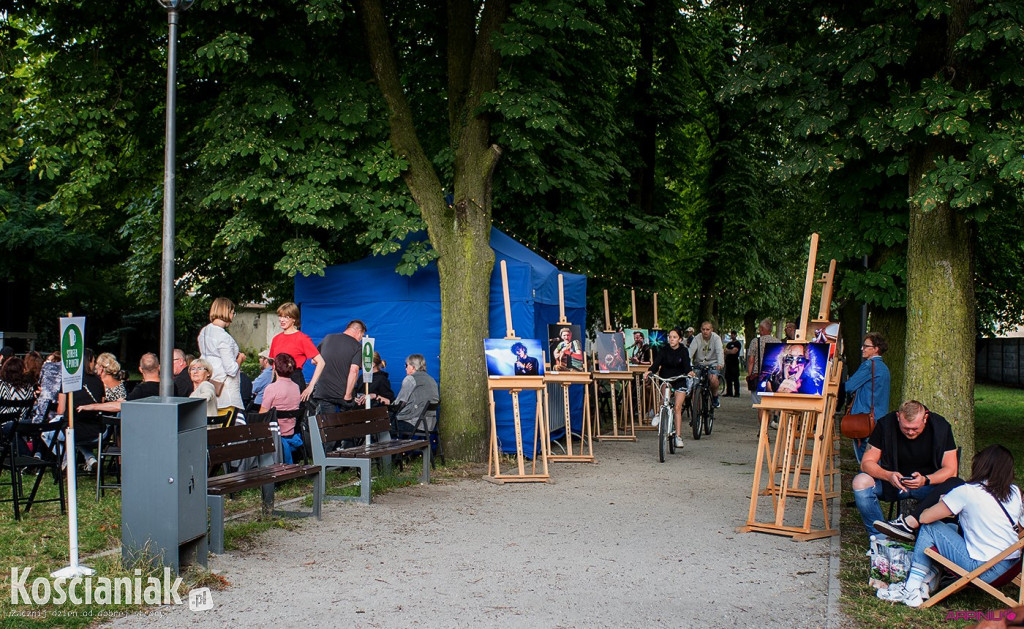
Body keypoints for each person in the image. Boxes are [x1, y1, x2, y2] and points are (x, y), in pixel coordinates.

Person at [876, 445, 1022, 608]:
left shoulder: (967, 491)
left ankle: (911, 588)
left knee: (931, 527)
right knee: (951, 529)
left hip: (984, 570)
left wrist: (942, 503)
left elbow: (925, 518)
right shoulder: (1015, 492)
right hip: (1010, 566)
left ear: (981, 465)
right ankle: (927, 580)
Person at [852, 400, 959, 536]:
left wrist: (925, 480)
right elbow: (866, 463)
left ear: (925, 418)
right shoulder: (885, 424)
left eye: (915, 428)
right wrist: (888, 475)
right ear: (898, 417)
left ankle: (928, 533)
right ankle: (879, 538)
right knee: (860, 481)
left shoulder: (940, 427)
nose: (910, 432)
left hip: (928, 485)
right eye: (905, 428)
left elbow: (951, 470)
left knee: (956, 489)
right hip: (893, 483)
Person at [846, 332, 891, 463]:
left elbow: (849, 386)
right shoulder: (884, 368)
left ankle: (867, 483)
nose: (862, 348)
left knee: (866, 463)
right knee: (876, 461)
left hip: (864, 420)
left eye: (866, 346)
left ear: (876, 349)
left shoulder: (869, 366)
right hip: (878, 420)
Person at [645, 328, 693, 450]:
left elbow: (687, 366)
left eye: (674, 337)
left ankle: (678, 436)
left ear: (680, 339)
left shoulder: (683, 351)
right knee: (664, 396)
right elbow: (656, 364)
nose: (671, 339)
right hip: (666, 378)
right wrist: (649, 371)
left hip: (680, 378)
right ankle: (658, 413)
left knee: (677, 407)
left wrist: (690, 372)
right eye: (670, 337)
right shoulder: (664, 349)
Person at [197, 297, 246, 415]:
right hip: (226, 392)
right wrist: (240, 359)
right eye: (233, 313)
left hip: (209, 386)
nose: (233, 316)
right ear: (227, 312)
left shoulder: (204, 332)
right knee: (226, 430)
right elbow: (231, 369)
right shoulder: (223, 337)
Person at [269, 302, 326, 401]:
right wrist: (272, 383)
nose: (282, 320)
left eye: (286, 317)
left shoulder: (302, 338)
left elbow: (321, 362)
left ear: (294, 319)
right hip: (277, 380)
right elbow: (274, 366)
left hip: (294, 379)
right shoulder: (276, 339)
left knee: (293, 413)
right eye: (280, 316)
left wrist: (311, 387)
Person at [311, 319, 366, 415]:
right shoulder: (357, 346)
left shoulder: (328, 338)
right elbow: (354, 370)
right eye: (361, 336)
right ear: (358, 332)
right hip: (342, 393)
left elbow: (313, 360)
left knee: (328, 425)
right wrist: (348, 395)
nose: (360, 339)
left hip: (324, 391)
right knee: (344, 425)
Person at [79, 353, 162, 413]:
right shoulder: (171, 387)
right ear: (159, 367)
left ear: (140, 369)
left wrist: (92, 406)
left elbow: (120, 406)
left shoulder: (141, 390)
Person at [259, 353, 304, 464]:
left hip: (275, 434)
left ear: (274, 367)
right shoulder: (296, 387)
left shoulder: (271, 388)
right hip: (292, 433)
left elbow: (262, 415)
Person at [391, 354, 439, 434]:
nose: (405, 368)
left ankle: (384, 446)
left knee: (381, 425)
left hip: (413, 423)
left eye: (406, 365)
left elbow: (399, 404)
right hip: (430, 425)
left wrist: (388, 407)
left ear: (413, 367)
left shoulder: (410, 379)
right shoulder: (432, 380)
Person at [757, 343, 824, 395]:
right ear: (782, 361)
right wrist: (778, 396)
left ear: (806, 364)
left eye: (800, 360)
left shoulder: (812, 386)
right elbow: (768, 409)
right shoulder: (772, 381)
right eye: (789, 359)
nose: (793, 366)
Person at [688, 321, 724, 408]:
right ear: (701, 330)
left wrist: (720, 363)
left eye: (707, 329)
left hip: (713, 363)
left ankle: (715, 396)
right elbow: (690, 352)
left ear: (711, 330)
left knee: (713, 379)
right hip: (699, 363)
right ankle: (696, 411)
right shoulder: (697, 338)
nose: (705, 331)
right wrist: (687, 364)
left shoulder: (716, 338)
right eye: (703, 329)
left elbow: (719, 351)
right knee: (694, 385)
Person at [748, 318, 780, 410]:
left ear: (762, 329)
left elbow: (751, 360)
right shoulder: (777, 342)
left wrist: (750, 376)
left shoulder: (755, 342)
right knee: (770, 405)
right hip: (773, 377)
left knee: (760, 405)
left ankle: (762, 424)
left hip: (758, 376)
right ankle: (770, 421)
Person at [723, 331, 742, 398]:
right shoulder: (729, 343)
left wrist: (729, 351)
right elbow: (725, 351)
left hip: (734, 363)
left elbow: (734, 351)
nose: (732, 336)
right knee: (728, 378)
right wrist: (728, 352)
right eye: (731, 335)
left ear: (735, 335)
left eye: (733, 334)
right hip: (728, 363)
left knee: (735, 378)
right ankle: (729, 392)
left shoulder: (737, 343)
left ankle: (737, 393)